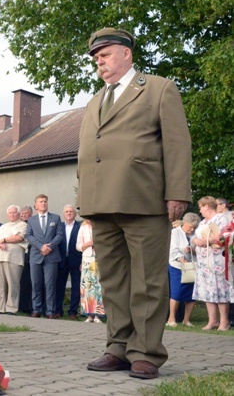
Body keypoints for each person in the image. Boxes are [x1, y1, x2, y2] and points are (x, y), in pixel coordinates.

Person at [77, 28, 192, 379]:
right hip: (102, 200)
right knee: (113, 280)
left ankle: (146, 352)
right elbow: (88, 151)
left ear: (127, 53)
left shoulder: (158, 88)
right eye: (96, 59)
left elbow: (177, 144)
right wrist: (84, 200)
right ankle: (118, 346)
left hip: (144, 197)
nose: (100, 62)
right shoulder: (96, 99)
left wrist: (177, 193)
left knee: (148, 279)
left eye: (106, 55)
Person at [192, 196, 231, 331]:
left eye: (201, 207)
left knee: (220, 289)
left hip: (217, 260)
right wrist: (196, 241)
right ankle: (212, 321)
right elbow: (195, 238)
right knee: (207, 290)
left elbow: (224, 235)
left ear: (206, 206)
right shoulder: (203, 222)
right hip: (204, 262)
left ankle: (224, 322)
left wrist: (207, 241)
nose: (200, 210)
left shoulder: (221, 218)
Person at [25, 194, 64, 319]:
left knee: (50, 284)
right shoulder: (31, 220)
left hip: (51, 257)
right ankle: (36, 309)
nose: (43, 203)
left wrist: (50, 247)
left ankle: (50, 311)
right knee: (36, 284)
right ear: (35, 205)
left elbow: (59, 235)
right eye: (41, 202)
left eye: (45, 201)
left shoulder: (56, 218)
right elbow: (29, 236)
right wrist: (41, 247)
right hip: (36, 256)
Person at [0, 205, 28, 314]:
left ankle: (12, 308)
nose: (12, 214)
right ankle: (0, 308)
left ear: (18, 214)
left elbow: (19, 238)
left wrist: (3, 240)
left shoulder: (23, 225)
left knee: (13, 284)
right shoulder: (2, 227)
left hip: (14, 258)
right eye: (10, 213)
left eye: (14, 212)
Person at [166, 212, 200, 327]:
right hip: (177, 266)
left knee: (191, 294)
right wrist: (184, 261)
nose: (192, 229)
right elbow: (173, 250)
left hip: (192, 267)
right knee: (176, 293)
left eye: (194, 228)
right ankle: (171, 319)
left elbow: (199, 251)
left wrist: (192, 250)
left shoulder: (196, 234)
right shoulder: (175, 232)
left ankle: (186, 320)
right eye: (190, 227)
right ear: (184, 223)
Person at [55, 205, 82, 319]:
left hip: (76, 261)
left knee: (76, 286)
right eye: (67, 212)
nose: (69, 213)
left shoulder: (80, 226)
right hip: (61, 260)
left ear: (75, 214)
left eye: (71, 211)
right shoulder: (59, 226)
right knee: (59, 286)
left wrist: (82, 261)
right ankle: (58, 310)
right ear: (64, 214)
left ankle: (73, 312)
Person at [76, 219, 105, 323]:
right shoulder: (83, 228)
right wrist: (88, 244)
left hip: (99, 259)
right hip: (87, 260)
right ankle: (89, 315)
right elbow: (78, 246)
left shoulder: (100, 226)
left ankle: (98, 315)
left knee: (98, 286)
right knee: (87, 287)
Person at [18, 205, 35, 314]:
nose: (23, 215)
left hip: (31, 255)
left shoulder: (33, 223)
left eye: (26, 213)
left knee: (31, 281)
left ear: (31, 214)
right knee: (21, 281)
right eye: (22, 214)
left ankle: (31, 306)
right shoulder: (18, 225)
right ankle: (22, 306)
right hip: (20, 255)